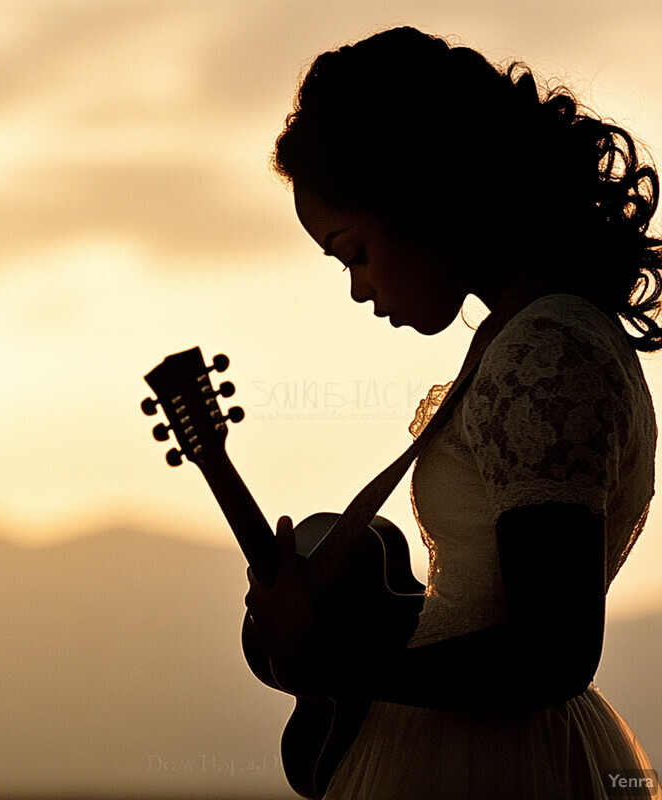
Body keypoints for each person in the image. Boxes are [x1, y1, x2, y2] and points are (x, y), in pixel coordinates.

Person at [244, 26, 661, 800]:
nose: (357, 291)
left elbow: (551, 654)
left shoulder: (543, 354)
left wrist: (324, 667)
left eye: (353, 250)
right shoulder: (542, 334)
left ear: (419, 198)